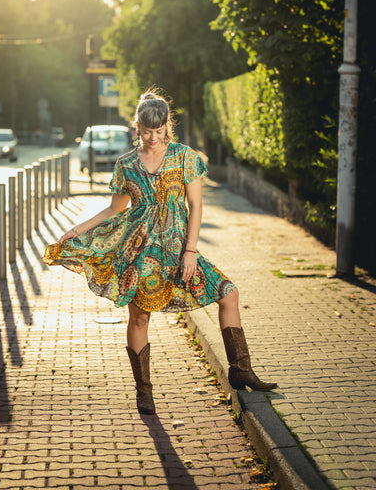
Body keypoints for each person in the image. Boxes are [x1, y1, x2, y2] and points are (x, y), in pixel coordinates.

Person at [42, 89, 277, 415]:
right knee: (139, 317)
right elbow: (114, 210)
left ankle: (240, 370)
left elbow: (195, 206)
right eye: (146, 131)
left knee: (229, 293)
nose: (153, 137)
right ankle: (144, 391)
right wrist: (76, 230)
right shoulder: (126, 164)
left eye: (159, 130)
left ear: (167, 125)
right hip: (139, 250)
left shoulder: (184, 157)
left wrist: (191, 251)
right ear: (136, 125)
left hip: (180, 248)